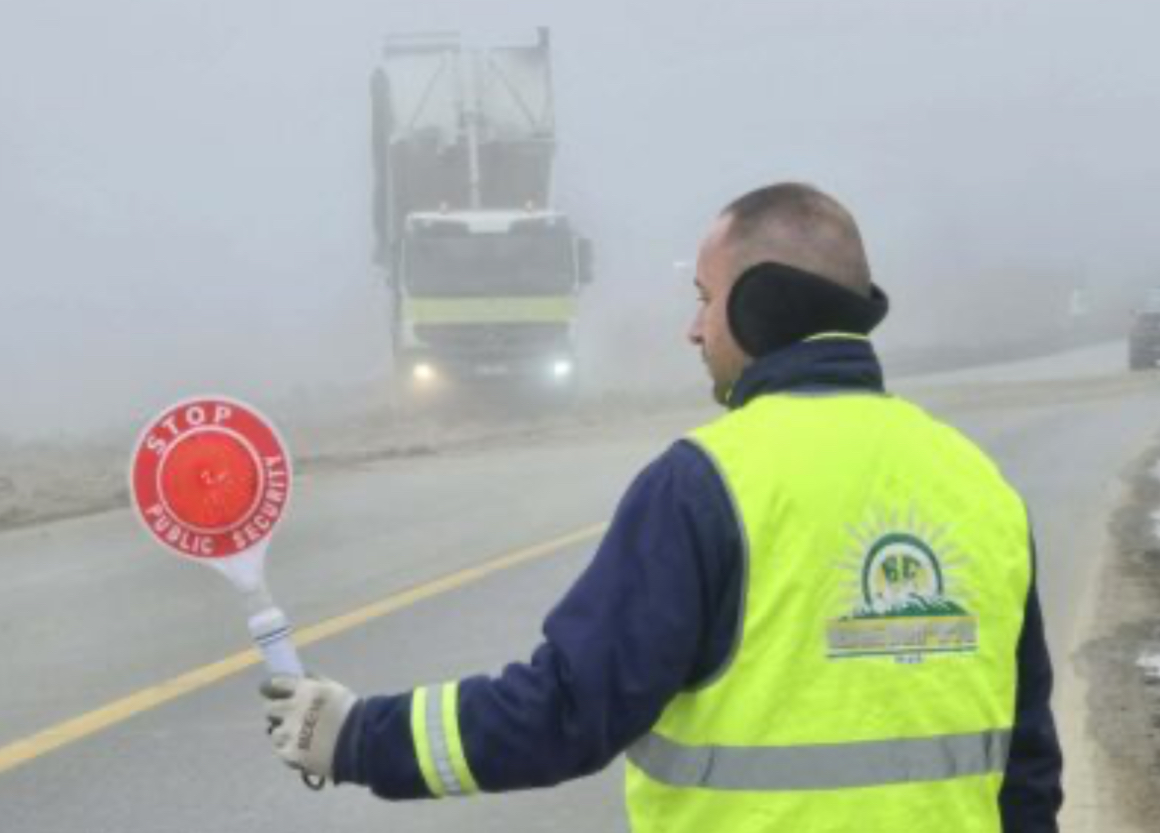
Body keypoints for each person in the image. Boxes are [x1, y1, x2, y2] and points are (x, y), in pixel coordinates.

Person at [262, 183, 1063, 832]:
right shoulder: (977, 483)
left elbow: (569, 708)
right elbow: (1026, 762)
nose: (692, 328)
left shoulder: (705, 483)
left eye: (705, 298)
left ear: (760, 308)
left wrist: (359, 735)